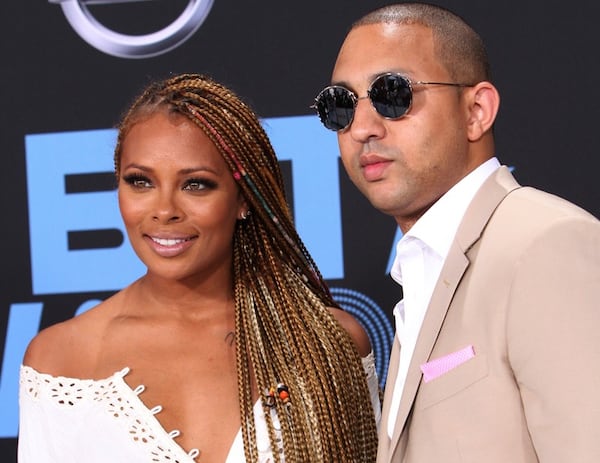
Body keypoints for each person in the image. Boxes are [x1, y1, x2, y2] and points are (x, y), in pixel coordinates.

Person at [19, 73, 380, 462]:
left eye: (196, 185)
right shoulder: (60, 360)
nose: (164, 211)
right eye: (140, 181)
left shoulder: (327, 344)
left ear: (243, 199)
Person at [312, 3, 600, 463]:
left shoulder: (546, 245)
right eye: (340, 106)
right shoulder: (423, 268)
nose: (362, 127)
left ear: (476, 111)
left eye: (393, 94)